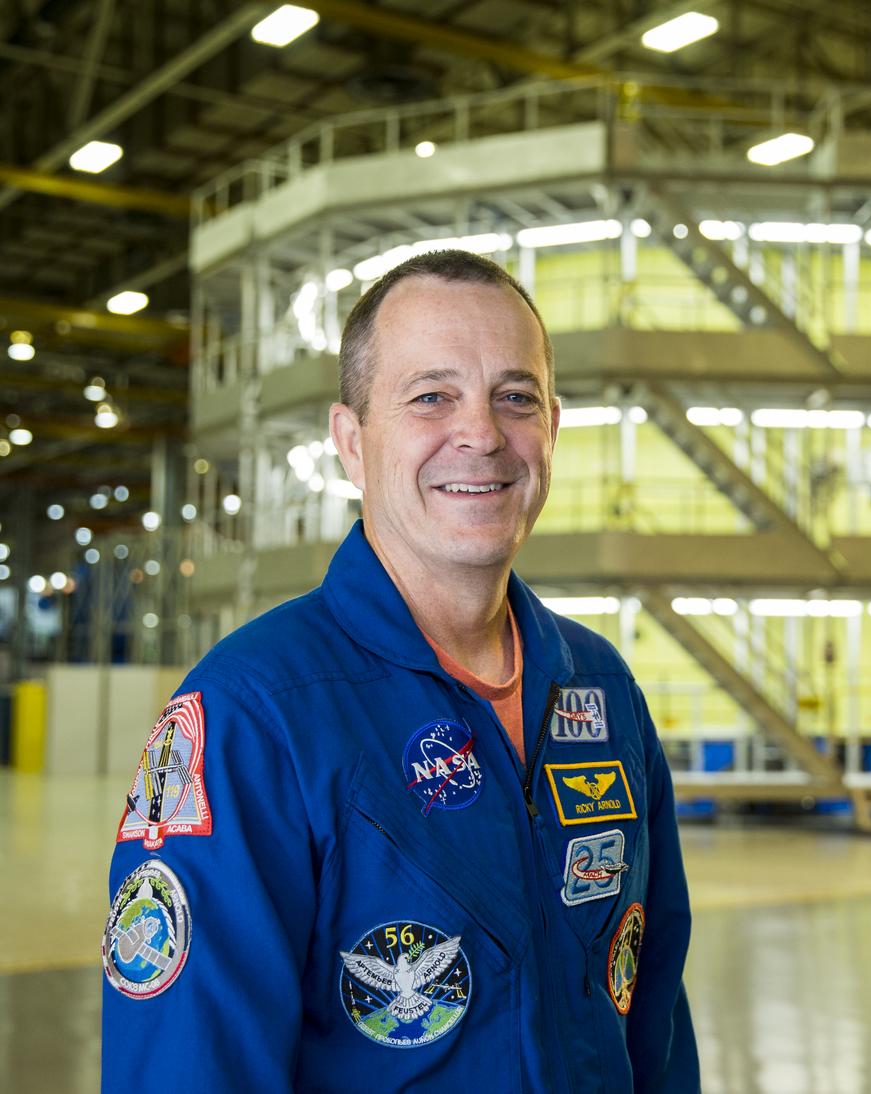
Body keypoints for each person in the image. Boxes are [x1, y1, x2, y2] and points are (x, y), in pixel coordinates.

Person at [101, 250, 700, 1092]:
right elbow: (189, 1067)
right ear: (352, 442)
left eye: (516, 398)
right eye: (432, 397)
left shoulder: (601, 691)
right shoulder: (252, 715)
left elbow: (657, 1022)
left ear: (553, 430)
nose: (483, 435)